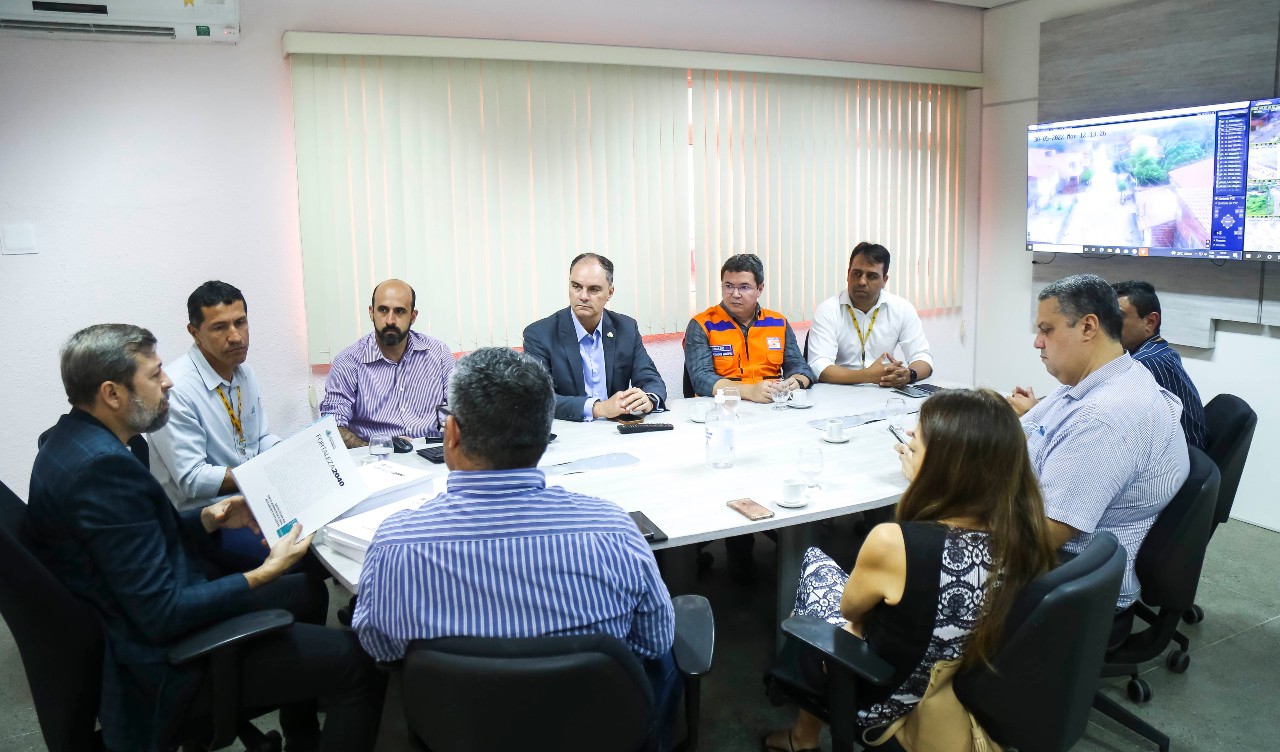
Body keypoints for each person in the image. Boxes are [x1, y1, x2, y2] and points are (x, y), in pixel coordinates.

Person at [25, 324, 384, 752]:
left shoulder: (72, 442)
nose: (168, 381)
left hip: (139, 615)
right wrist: (265, 572)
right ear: (112, 394)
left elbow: (135, 539)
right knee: (360, 663)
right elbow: (163, 613)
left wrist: (210, 521)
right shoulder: (103, 472)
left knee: (306, 590)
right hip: (165, 661)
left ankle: (302, 734)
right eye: (155, 375)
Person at [354, 347, 679, 741]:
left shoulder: (395, 545)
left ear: (451, 434)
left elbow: (380, 648)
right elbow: (655, 640)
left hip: (456, 731)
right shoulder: (615, 531)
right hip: (589, 731)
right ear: (545, 436)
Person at [764, 389, 1058, 751]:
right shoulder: (1026, 535)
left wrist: (918, 489)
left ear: (943, 469)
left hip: (886, 697)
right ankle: (801, 734)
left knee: (814, 567)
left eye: (916, 442)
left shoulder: (895, 543)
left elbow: (850, 611)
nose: (907, 440)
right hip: (959, 674)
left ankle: (799, 728)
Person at [1009, 274, 1189, 612]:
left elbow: (1046, 534)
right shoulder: (1103, 376)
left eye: (1047, 330)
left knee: (914, 546)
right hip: (1068, 558)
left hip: (1068, 580)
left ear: (1088, 327)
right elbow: (1028, 429)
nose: (1037, 342)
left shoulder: (1102, 420)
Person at [148, 281, 277, 509]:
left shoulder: (244, 373)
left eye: (240, 322)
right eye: (220, 327)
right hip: (205, 522)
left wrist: (293, 454)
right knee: (304, 540)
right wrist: (262, 472)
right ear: (194, 333)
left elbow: (260, 440)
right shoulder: (175, 390)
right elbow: (193, 479)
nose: (236, 336)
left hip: (253, 500)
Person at [523, 253, 667, 421]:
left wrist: (648, 399)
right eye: (576, 286)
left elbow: (650, 379)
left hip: (616, 430)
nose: (583, 296)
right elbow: (537, 398)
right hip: (569, 431)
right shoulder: (540, 334)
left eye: (594, 289)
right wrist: (598, 408)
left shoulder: (626, 328)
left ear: (610, 292)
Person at [319, 278, 454, 448]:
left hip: (431, 454)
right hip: (375, 458)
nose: (390, 320)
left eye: (400, 311)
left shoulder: (438, 354)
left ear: (413, 316)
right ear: (371, 312)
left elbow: (454, 411)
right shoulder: (348, 362)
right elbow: (332, 428)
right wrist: (378, 448)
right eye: (383, 310)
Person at [806, 242, 934, 387]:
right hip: (839, 390)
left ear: (884, 280)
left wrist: (909, 375)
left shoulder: (902, 308)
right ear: (848, 274)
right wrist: (868, 376)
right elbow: (819, 366)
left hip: (885, 391)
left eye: (871, 276)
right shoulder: (829, 310)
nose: (862, 281)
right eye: (856, 273)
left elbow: (923, 357)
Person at [1111, 280, 1207, 450]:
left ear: (1150, 322)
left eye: (1118, 316)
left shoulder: (1143, 364)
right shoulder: (1160, 351)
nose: (1108, 325)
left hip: (1178, 465)